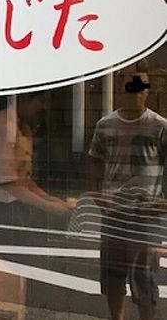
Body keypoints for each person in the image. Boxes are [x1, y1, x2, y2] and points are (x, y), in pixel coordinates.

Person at [87, 60, 167, 320]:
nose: (136, 91)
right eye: (131, 85)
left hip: (147, 213)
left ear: (148, 90)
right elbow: (95, 159)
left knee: (145, 278)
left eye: (141, 86)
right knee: (113, 274)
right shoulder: (105, 124)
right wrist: (96, 191)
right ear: (122, 86)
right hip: (114, 211)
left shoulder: (159, 126)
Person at [0, 92, 72, 246]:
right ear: (23, 99)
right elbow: (7, 182)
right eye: (41, 101)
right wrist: (49, 206)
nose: (45, 107)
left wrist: (52, 200)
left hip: (7, 206)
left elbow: (23, 180)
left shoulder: (24, 128)